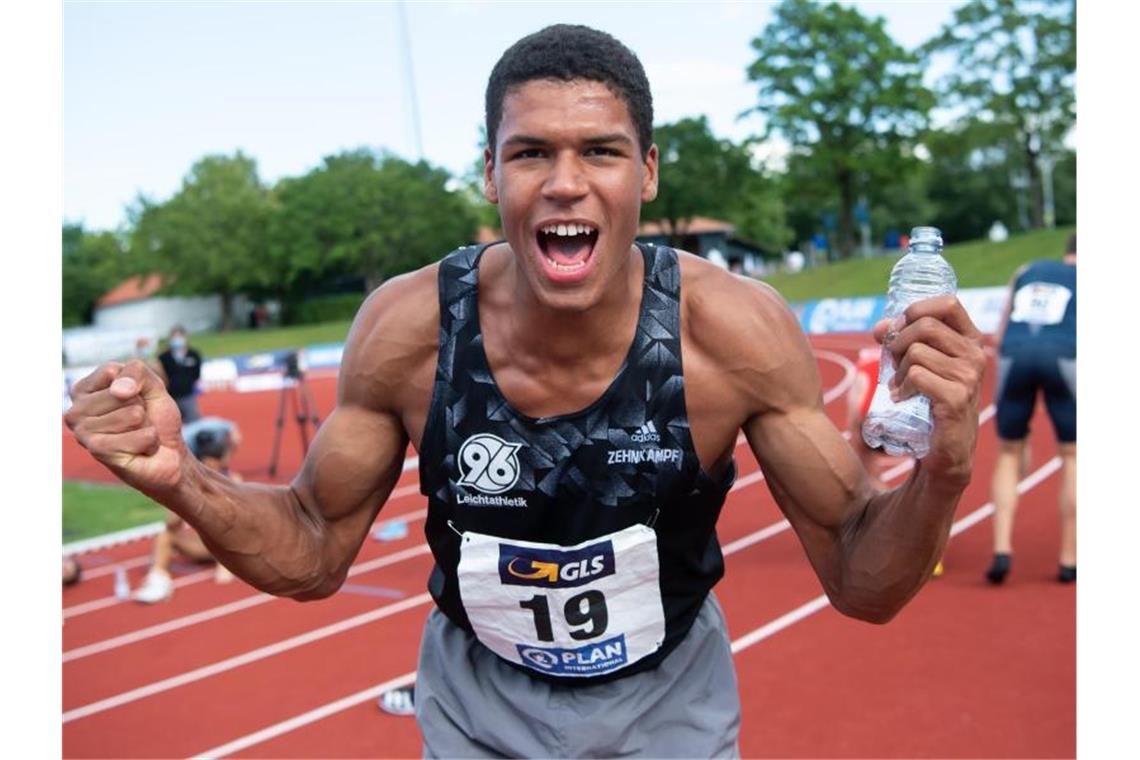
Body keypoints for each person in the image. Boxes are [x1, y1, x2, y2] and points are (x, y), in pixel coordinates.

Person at [64, 25, 985, 757]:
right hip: (476, 704)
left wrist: (944, 464)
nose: (567, 184)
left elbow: (864, 582)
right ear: (492, 171)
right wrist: (181, 479)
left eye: (602, 152)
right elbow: (312, 551)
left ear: (649, 171)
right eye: (532, 152)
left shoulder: (731, 334)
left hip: (668, 703)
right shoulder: (410, 330)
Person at [987, 234, 1077, 585]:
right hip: (1066, 355)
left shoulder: (1026, 270)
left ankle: (1001, 550)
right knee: (1073, 455)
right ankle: (1070, 559)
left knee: (1009, 452)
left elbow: (998, 331)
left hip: (1014, 353)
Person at [847, 347, 943, 577]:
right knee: (929, 482)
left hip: (871, 414)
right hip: (910, 413)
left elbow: (854, 411)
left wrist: (859, 445)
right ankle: (932, 553)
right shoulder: (923, 358)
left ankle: (878, 535)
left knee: (868, 477)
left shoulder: (866, 360)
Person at [130, 418, 242, 603]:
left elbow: (239, 525)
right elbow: (172, 525)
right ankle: (158, 578)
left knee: (230, 535)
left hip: (230, 545)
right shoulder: (190, 485)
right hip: (206, 546)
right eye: (206, 460)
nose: (210, 465)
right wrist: (179, 500)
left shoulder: (233, 481)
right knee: (165, 537)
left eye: (212, 460)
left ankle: (227, 564)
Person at [156, 325, 203, 423]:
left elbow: (196, 374)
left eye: (180, 336)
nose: (177, 340)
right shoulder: (164, 357)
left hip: (188, 395)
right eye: (174, 337)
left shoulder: (193, 354)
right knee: (172, 424)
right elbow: (160, 374)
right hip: (170, 397)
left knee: (193, 422)